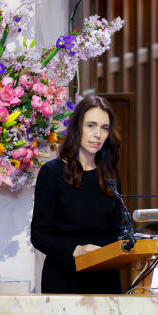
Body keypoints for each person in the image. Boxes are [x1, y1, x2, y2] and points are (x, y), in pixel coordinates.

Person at [30, 95, 124, 294]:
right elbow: (39, 236)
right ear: (77, 127)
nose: (98, 134)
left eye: (104, 128)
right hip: (64, 280)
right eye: (91, 125)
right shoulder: (52, 173)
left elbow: (117, 231)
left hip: (105, 280)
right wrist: (77, 250)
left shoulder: (109, 174)